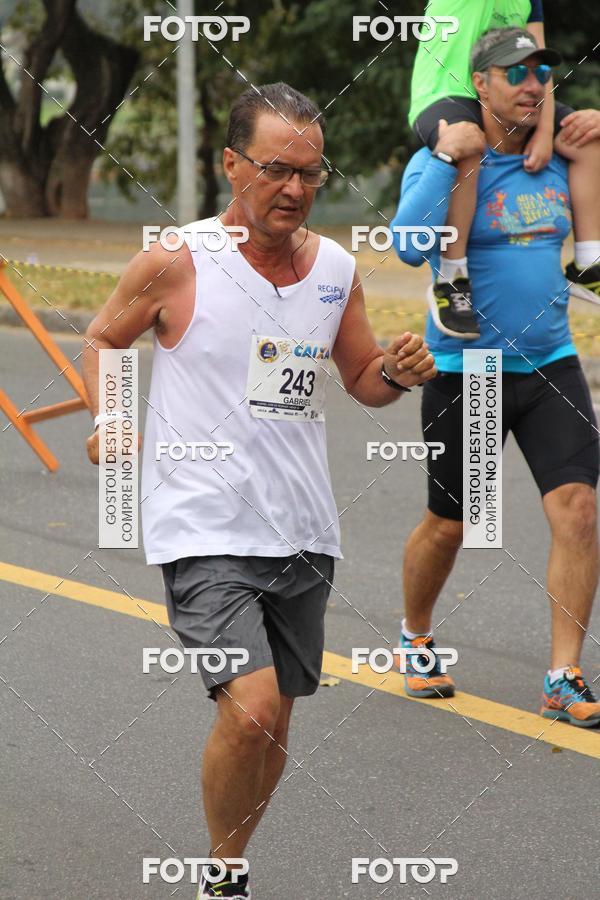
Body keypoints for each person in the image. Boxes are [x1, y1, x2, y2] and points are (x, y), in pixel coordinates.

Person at [82, 83, 437, 899]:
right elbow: (103, 337)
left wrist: (396, 371)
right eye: (277, 169)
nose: (296, 190)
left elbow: (360, 379)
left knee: (274, 719)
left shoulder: (336, 269)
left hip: (302, 528)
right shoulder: (177, 259)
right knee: (250, 705)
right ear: (231, 163)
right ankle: (222, 874)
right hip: (200, 522)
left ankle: (231, 863)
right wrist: (111, 417)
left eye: (311, 173)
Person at [392, 28, 600, 728]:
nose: (531, 83)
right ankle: (415, 636)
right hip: (470, 370)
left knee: (578, 511)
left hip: (551, 364)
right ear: (480, 84)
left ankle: (563, 674)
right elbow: (405, 243)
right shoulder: (445, 156)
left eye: (540, 71)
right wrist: (448, 160)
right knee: (450, 526)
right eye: (515, 72)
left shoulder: (561, 158)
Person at [409, 1, 600, 339]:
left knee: (585, 134)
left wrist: (544, 130)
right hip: (445, 94)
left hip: (550, 358)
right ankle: (452, 278)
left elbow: (538, 55)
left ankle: (589, 262)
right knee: (469, 142)